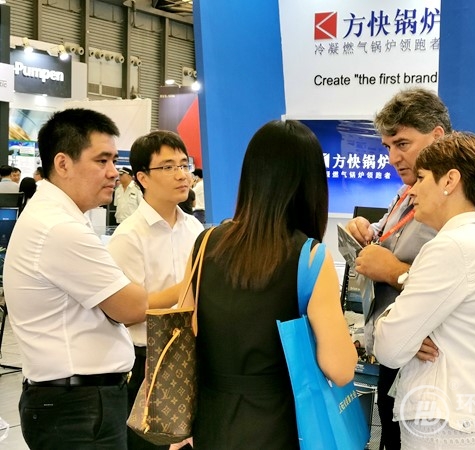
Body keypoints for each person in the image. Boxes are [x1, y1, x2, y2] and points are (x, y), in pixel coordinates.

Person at [346, 88, 475, 450]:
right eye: (387, 147)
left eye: (402, 144)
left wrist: (396, 276)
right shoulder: (412, 197)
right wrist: (370, 234)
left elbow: (472, 285)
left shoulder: (469, 225)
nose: (393, 157)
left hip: (447, 408)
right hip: (448, 395)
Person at [182, 120, 357, 448]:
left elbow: (190, 331)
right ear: (311, 184)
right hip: (279, 427)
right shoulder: (309, 257)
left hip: (212, 423)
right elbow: (340, 369)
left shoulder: (205, 244)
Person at [3, 108, 148, 449]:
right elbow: (131, 307)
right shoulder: (59, 227)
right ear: (63, 163)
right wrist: (192, 283)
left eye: (114, 161)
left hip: (75, 401)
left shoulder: (58, 217)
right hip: (78, 408)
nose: (113, 172)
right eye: (102, 161)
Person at [107, 130, 204, 450]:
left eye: (184, 165)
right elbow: (129, 311)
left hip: (191, 355)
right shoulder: (129, 236)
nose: (182, 175)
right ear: (143, 178)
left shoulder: (194, 227)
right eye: (168, 167)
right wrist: (190, 285)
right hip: (148, 361)